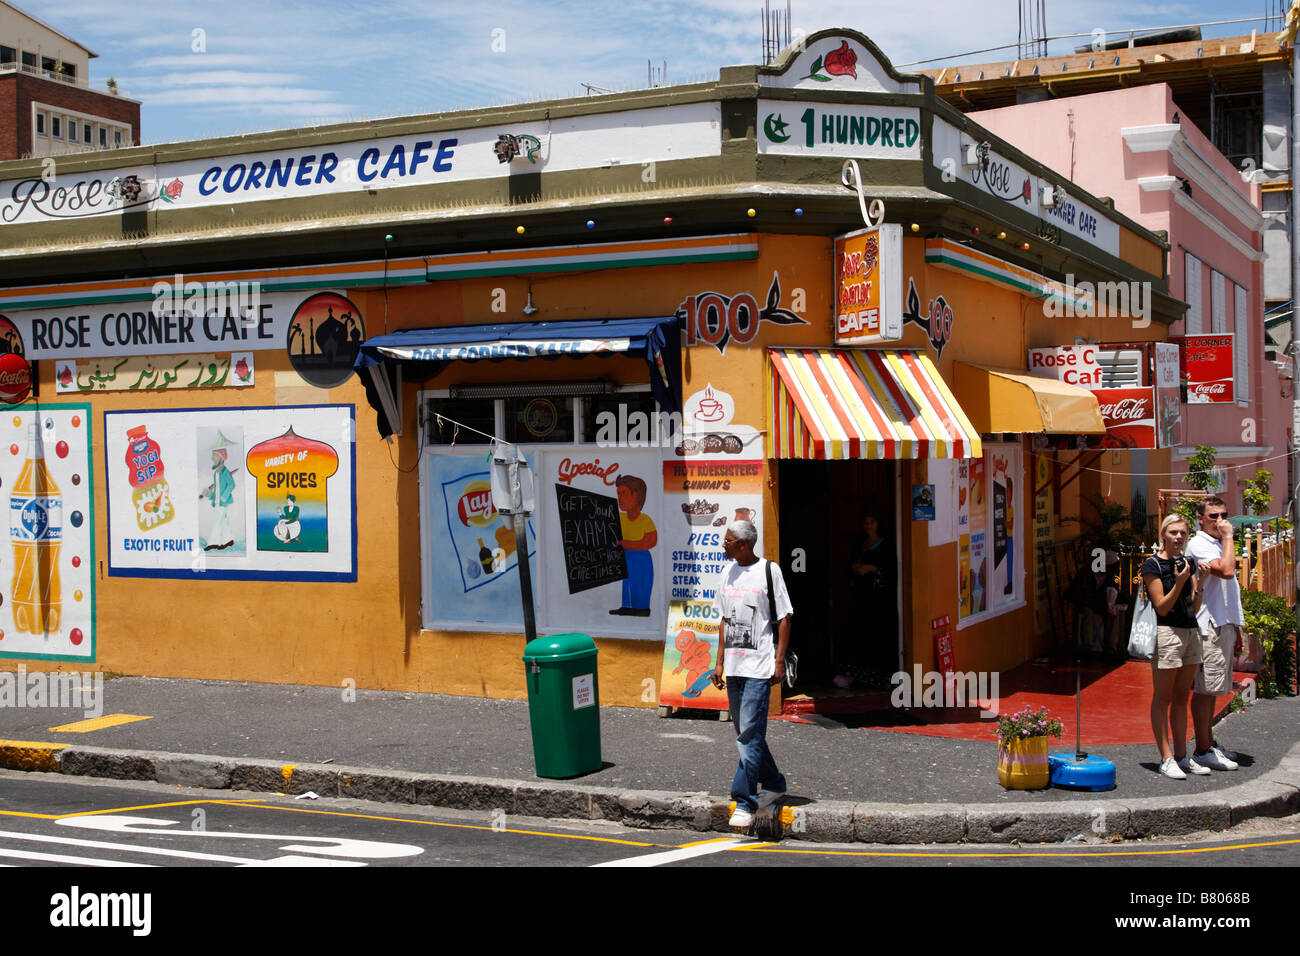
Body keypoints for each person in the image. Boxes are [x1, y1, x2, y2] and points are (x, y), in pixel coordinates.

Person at [710, 519, 792, 828]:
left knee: (748, 734)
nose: (724, 544)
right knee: (747, 731)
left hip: (759, 666)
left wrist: (780, 661)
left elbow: (784, 617)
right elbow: (723, 620)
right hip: (733, 666)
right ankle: (775, 782)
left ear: (743, 544)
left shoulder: (769, 571)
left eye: (728, 540)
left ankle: (744, 799)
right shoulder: (727, 572)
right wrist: (718, 662)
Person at [1141, 514, 1206, 779]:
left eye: (1183, 533)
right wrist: (1179, 582)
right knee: (1163, 696)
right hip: (1167, 633)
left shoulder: (1188, 562)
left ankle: (1182, 755)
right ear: (1164, 534)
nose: (1179, 538)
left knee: (1183, 696)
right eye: (1174, 533)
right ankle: (1165, 757)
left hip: (1191, 630)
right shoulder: (1152, 565)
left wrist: (1197, 585)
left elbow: (1194, 605)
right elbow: (1162, 607)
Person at [1184, 496, 1242, 770]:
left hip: (1224, 623)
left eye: (1224, 515)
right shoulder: (1199, 544)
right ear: (1200, 519)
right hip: (1208, 625)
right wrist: (1228, 537)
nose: (1220, 522)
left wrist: (1237, 627)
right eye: (1213, 517)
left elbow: (1231, 592)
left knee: (1215, 689)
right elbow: (1227, 571)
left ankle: (1209, 742)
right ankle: (1202, 747)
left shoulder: (1219, 544)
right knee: (1206, 689)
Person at [834, 511, 895, 688]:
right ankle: (856, 676)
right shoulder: (861, 544)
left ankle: (879, 679)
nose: (868, 525)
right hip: (862, 598)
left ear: (878, 524)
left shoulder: (886, 546)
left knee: (876, 637)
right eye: (866, 522)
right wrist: (855, 567)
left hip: (879, 602)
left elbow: (891, 571)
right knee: (858, 635)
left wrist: (873, 569)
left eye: (872, 522)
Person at [610, 475, 656, 617]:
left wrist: (625, 543)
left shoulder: (645, 520)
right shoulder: (621, 518)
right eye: (618, 494)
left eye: (623, 493)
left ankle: (642, 608)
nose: (620, 498)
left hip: (641, 558)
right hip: (626, 556)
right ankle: (627, 606)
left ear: (636, 495)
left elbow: (650, 541)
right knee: (627, 582)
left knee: (640, 582)